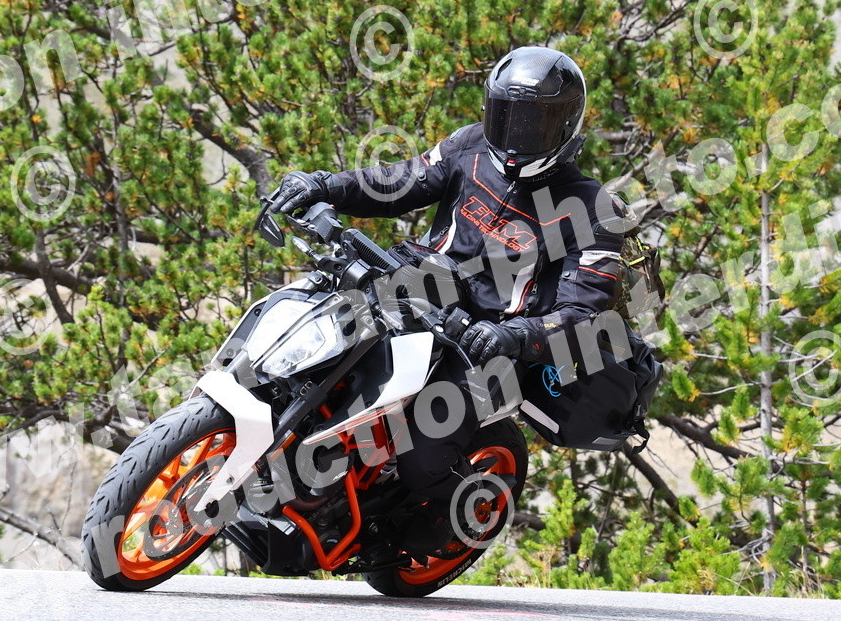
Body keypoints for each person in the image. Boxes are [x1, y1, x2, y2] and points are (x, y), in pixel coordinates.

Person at [268, 46, 629, 551]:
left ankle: (441, 520)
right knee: (306, 351)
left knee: (424, 458)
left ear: (565, 125)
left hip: (487, 344)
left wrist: (512, 335)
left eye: (533, 123)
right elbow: (397, 182)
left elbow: (583, 313)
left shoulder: (593, 209)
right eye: (506, 115)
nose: (515, 135)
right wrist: (323, 186)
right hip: (414, 293)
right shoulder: (470, 145)